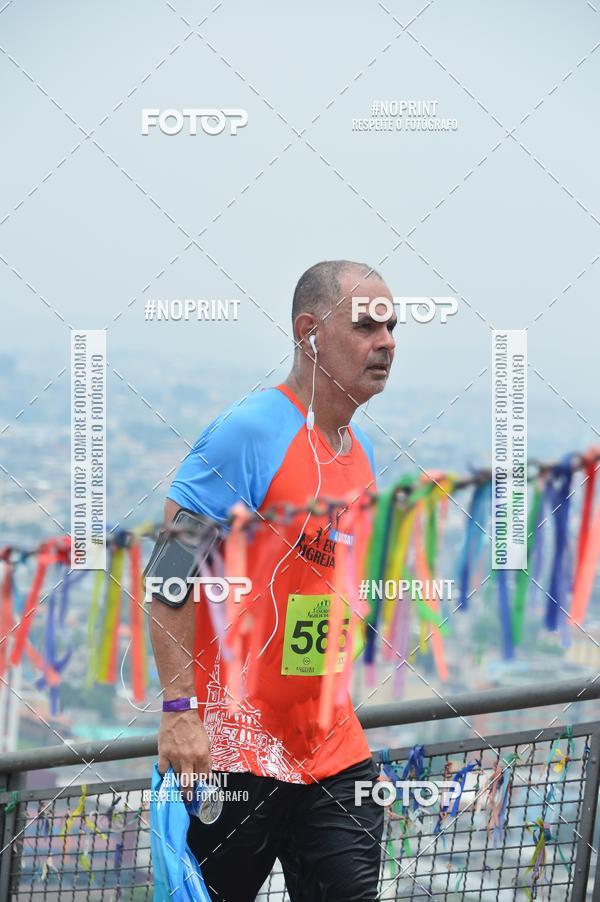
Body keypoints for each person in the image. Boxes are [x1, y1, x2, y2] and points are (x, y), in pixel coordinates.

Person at [149, 260, 397, 901]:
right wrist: (179, 712)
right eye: (368, 325)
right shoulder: (251, 433)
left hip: (331, 752)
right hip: (235, 756)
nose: (388, 342)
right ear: (310, 331)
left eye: (394, 327)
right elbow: (169, 570)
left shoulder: (358, 456)